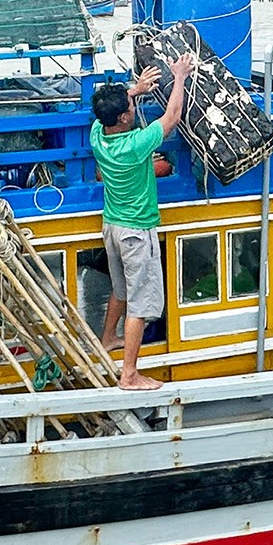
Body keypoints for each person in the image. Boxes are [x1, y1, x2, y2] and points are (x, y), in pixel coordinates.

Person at [91, 51, 195, 390]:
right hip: (136, 231)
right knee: (141, 305)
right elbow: (172, 116)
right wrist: (179, 75)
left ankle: (108, 338)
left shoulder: (98, 134)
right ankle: (129, 374)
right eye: (130, 108)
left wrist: (134, 91)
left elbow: (113, 111)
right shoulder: (136, 143)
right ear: (123, 117)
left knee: (119, 290)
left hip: (112, 227)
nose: (134, 109)